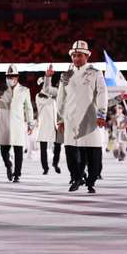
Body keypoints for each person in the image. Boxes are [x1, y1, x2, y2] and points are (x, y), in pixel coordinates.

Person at [56, 40, 108, 194]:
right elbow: (60, 98)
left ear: (86, 56)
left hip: (90, 118)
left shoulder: (95, 73)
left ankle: (91, 181)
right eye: (74, 55)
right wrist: (60, 119)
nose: (76, 58)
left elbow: (102, 94)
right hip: (70, 119)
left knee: (93, 152)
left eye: (79, 55)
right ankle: (76, 178)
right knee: (71, 152)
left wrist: (101, 114)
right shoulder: (65, 75)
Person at [0, 65, 34, 183]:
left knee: (18, 149)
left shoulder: (24, 90)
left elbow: (28, 108)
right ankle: (8, 165)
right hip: (4, 122)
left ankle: (17, 174)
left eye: (12, 76)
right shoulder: (0, 88)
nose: (10, 78)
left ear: (17, 77)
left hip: (18, 123)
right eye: (8, 76)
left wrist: (30, 123)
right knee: (3, 150)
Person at [36, 73, 62, 174]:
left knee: (58, 145)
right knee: (43, 148)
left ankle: (55, 163)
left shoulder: (53, 96)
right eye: (43, 84)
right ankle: (45, 168)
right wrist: (54, 96)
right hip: (44, 125)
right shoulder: (39, 96)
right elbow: (47, 102)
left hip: (54, 124)